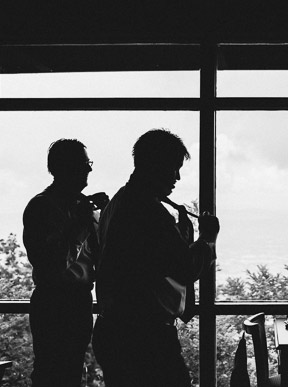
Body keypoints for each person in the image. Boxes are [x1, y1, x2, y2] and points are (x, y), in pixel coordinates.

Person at [93, 128, 219, 387]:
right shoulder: (148, 212)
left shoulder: (118, 203)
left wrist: (182, 239)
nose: (178, 177)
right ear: (155, 165)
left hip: (115, 330)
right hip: (143, 336)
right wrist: (207, 239)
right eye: (174, 168)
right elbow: (185, 268)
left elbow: (148, 261)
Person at [23, 139, 109, 387]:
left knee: (70, 371)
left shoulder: (85, 207)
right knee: (53, 372)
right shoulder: (42, 207)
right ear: (64, 167)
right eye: (84, 164)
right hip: (54, 302)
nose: (89, 170)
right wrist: (82, 224)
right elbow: (51, 264)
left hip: (79, 300)